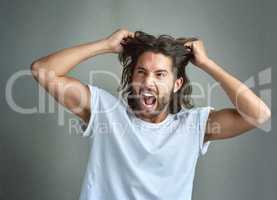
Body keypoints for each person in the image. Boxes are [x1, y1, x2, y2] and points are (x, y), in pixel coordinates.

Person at [30, 28, 271, 200]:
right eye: (141, 72)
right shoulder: (106, 112)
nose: (148, 82)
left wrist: (207, 63)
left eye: (160, 74)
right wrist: (104, 46)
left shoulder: (193, 126)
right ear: (131, 77)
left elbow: (259, 115)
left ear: (176, 84)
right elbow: (42, 70)